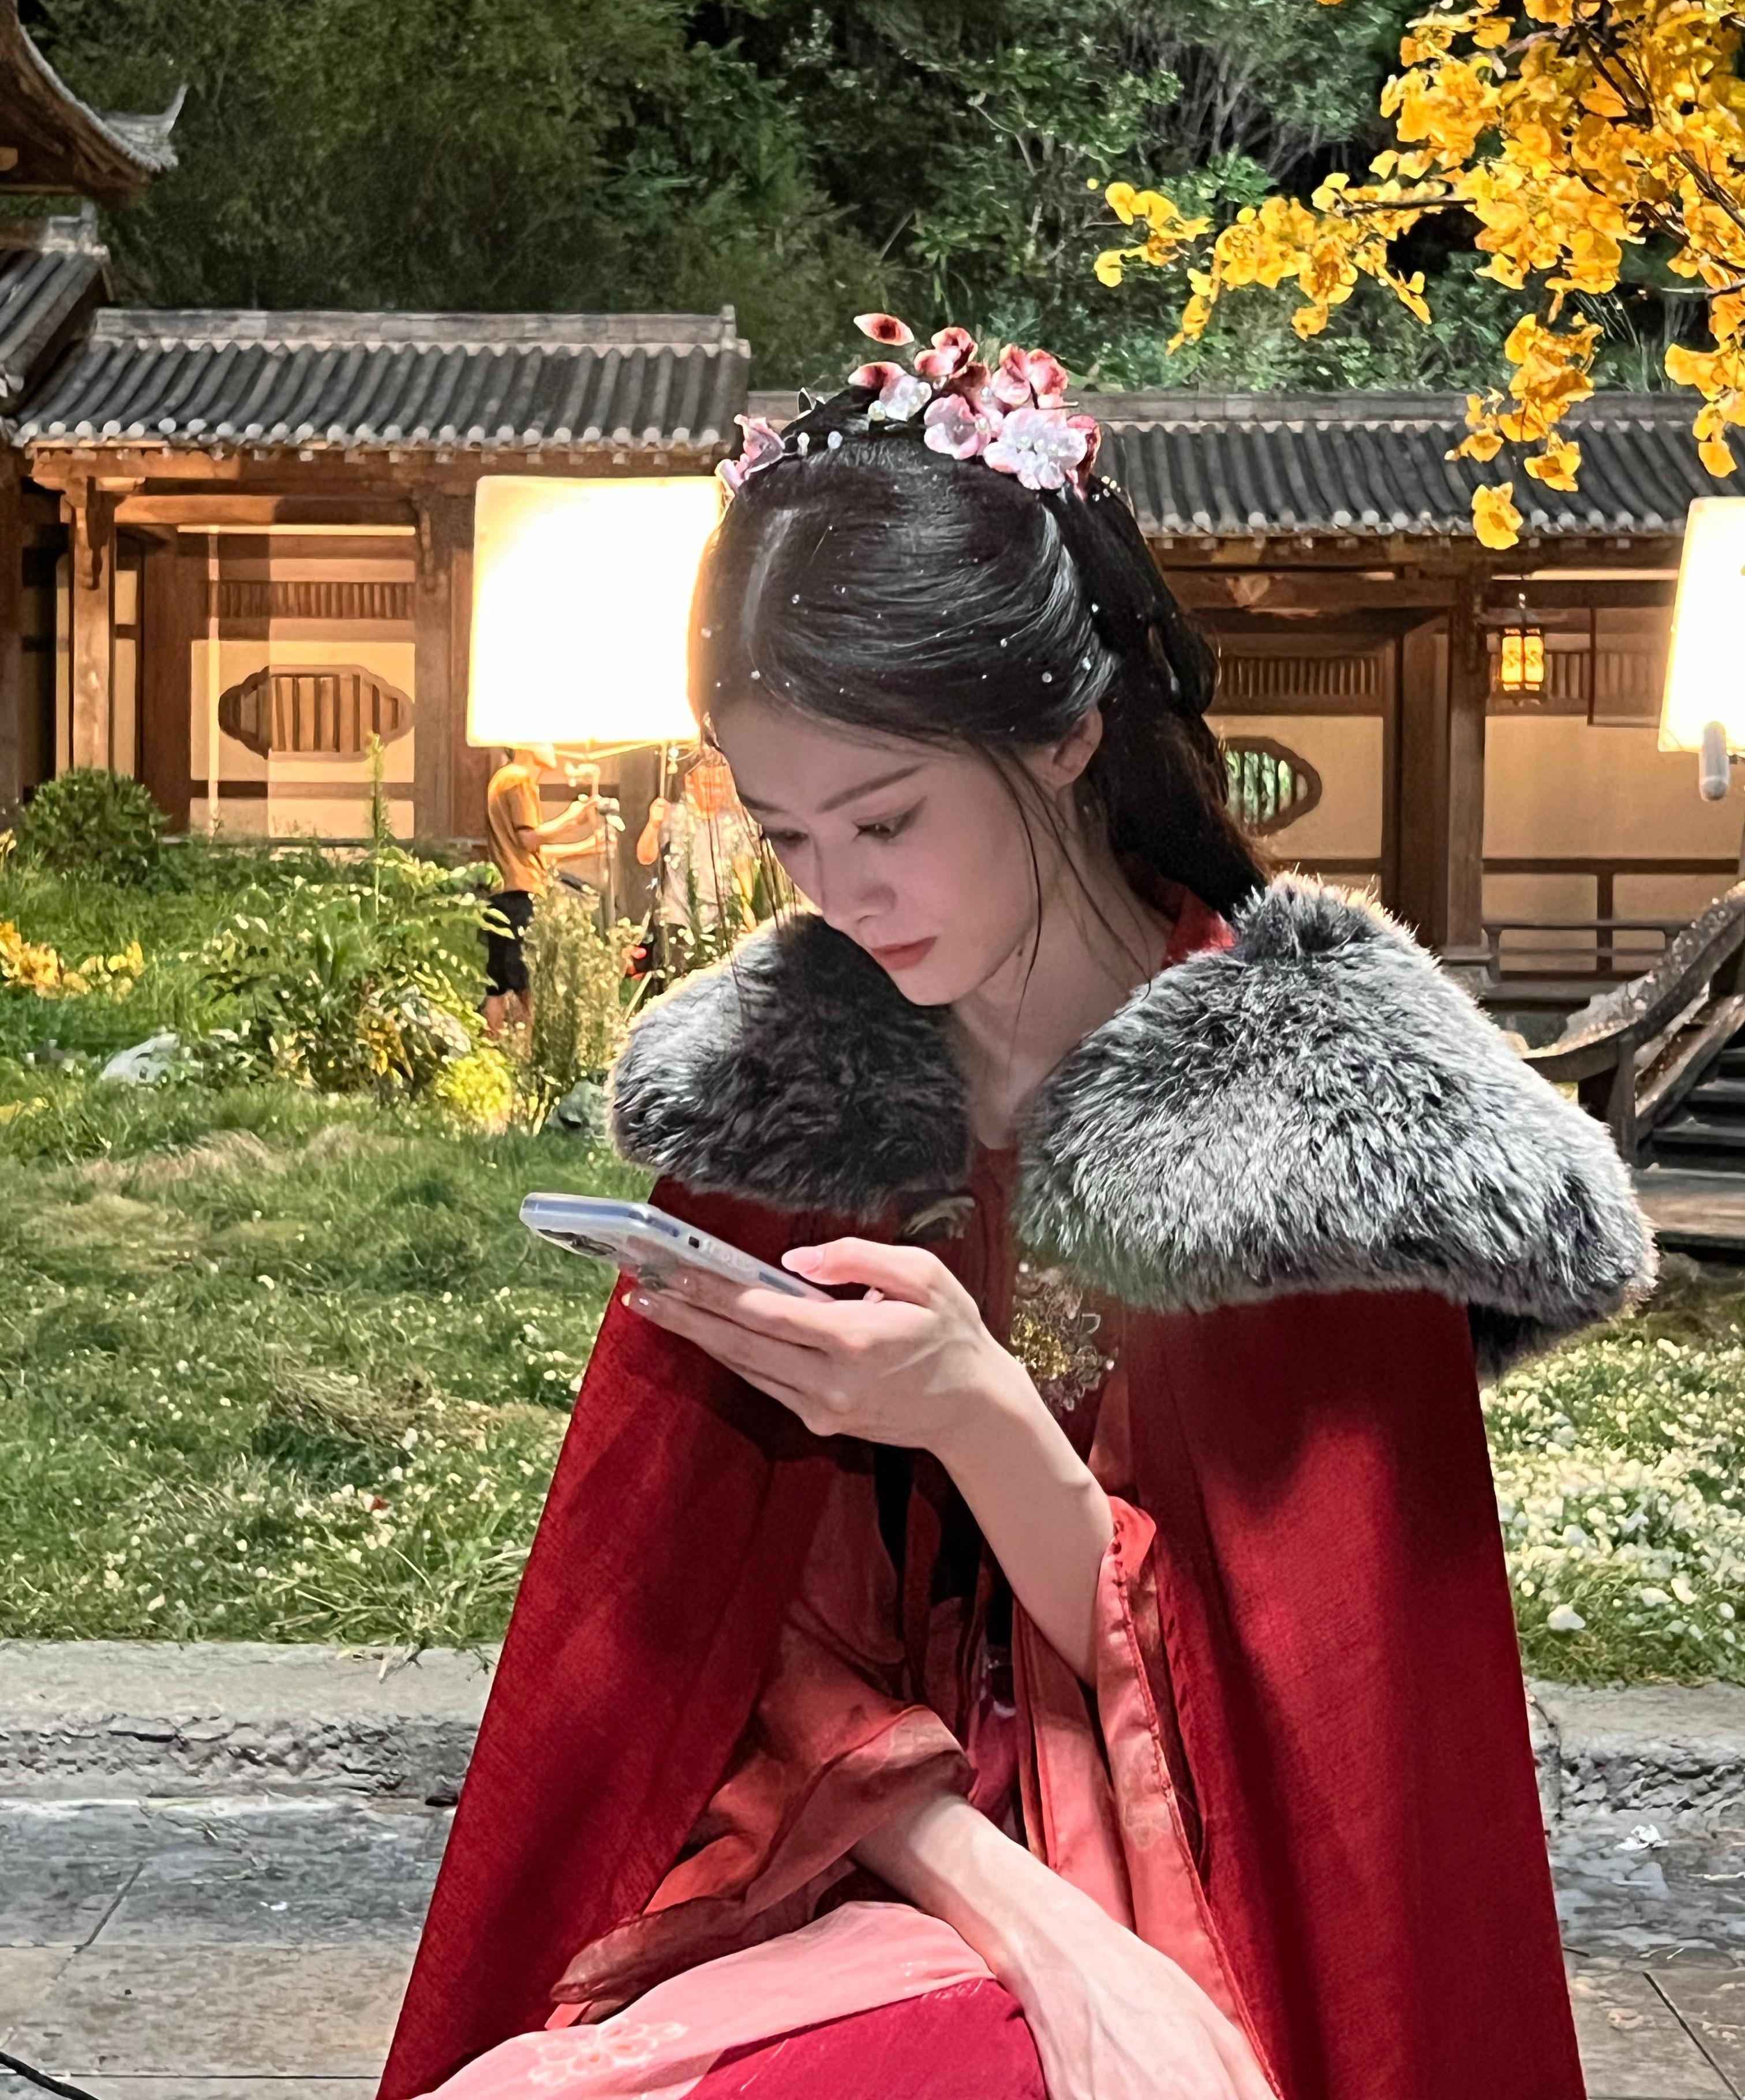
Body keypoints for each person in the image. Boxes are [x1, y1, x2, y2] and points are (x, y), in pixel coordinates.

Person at [385, 320, 1654, 2100]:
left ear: (1066, 732)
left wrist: (973, 1413)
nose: (843, 893)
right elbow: (723, 1649)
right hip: (868, 1855)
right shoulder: (798, 1095)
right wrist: (1026, 1920)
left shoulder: (1306, 1128)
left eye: (888, 817)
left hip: (1206, 1899)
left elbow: (1311, 1747)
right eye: (789, 835)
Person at [482, 744, 604, 1036]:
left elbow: (528, 851)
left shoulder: (507, 777)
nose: (553, 747)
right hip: (518, 896)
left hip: (505, 893)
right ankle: (530, 1052)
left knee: (498, 985)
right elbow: (528, 839)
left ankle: (491, 1049)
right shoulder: (519, 777)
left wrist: (584, 847)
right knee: (528, 984)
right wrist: (570, 819)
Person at [635, 747, 763, 953]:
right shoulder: (673, 816)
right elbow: (645, 857)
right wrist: (653, 825)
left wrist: (747, 907)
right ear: (690, 783)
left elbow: (742, 869)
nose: (714, 792)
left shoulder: (733, 823)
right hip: (678, 920)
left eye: (719, 786)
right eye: (707, 785)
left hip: (721, 921)